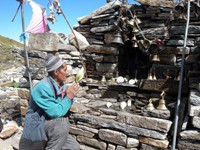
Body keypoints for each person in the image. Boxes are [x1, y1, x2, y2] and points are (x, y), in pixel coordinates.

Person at [19, 54, 80, 150]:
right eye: (64, 70)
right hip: (36, 126)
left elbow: (61, 102)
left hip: (48, 125)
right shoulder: (42, 87)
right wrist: (68, 97)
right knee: (62, 124)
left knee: (73, 147)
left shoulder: (61, 86)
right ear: (56, 71)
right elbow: (55, 112)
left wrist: (69, 94)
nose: (67, 73)